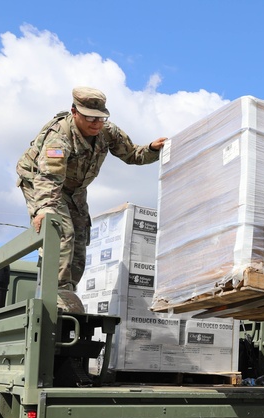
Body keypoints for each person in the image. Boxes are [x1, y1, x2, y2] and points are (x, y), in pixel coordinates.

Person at [16, 87, 167, 309]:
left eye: (100, 118)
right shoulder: (59, 137)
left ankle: (67, 292)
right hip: (40, 181)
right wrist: (44, 210)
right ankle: (54, 295)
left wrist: (153, 149)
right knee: (60, 229)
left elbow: (133, 154)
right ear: (74, 112)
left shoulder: (107, 131)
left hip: (75, 189)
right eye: (89, 118)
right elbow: (48, 178)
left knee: (79, 237)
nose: (95, 124)